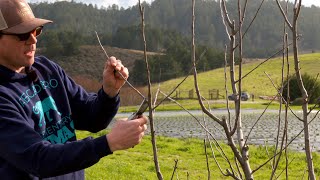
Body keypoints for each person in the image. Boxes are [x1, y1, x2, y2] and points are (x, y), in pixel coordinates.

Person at [0, 0, 148, 179]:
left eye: (35, 31)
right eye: (23, 34)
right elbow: (38, 159)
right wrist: (109, 143)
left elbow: (92, 118)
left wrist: (109, 92)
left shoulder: (47, 69)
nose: (33, 39)